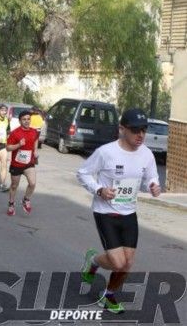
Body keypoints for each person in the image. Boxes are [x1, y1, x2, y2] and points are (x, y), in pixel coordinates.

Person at [77, 108, 161, 314]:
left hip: (129, 213)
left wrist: (153, 185)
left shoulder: (147, 154)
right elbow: (83, 173)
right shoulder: (106, 152)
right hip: (105, 212)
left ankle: (108, 296)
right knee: (117, 262)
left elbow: (151, 177)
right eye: (135, 130)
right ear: (122, 129)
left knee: (127, 263)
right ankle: (94, 260)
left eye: (143, 130)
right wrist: (99, 189)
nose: (140, 135)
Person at [6, 110, 38, 216]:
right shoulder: (15, 133)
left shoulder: (34, 131)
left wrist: (36, 151)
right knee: (14, 185)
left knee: (32, 183)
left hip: (29, 162)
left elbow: (36, 139)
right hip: (17, 163)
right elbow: (8, 148)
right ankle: (11, 204)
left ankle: (26, 199)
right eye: (24, 119)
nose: (27, 121)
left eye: (28, 119)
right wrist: (18, 145)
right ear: (20, 121)